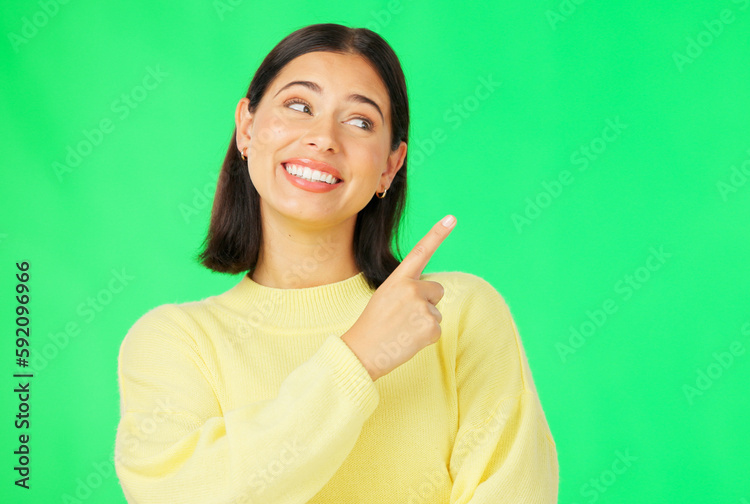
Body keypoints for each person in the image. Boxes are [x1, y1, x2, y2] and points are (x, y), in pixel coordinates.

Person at [113, 23, 558, 503]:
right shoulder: (174, 342)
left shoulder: (456, 314)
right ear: (247, 126)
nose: (323, 138)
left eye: (360, 121)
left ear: (389, 165)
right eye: (299, 106)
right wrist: (358, 358)